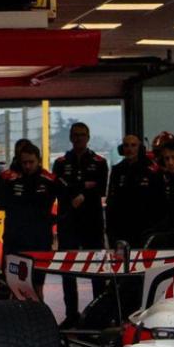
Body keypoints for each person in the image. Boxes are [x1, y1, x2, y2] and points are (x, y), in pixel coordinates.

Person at [50, 122, 108, 326]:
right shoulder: (60, 162)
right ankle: (71, 315)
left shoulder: (99, 162)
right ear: (70, 137)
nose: (79, 138)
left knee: (97, 269)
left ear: (88, 136)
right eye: (75, 135)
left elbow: (100, 188)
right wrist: (83, 187)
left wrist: (81, 190)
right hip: (68, 222)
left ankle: (99, 316)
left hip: (92, 223)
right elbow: (58, 187)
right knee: (68, 270)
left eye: (82, 134)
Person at [0, 146, 61, 297]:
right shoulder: (9, 178)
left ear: (38, 160)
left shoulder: (49, 179)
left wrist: (55, 222)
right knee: (11, 283)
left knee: (37, 286)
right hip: (14, 239)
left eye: (31, 162)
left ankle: (38, 317)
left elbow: (68, 202)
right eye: (24, 162)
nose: (27, 166)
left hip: (39, 239)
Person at [106, 133, 156, 248]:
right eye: (126, 145)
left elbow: (158, 201)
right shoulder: (117, 170)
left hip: (144, 227)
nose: (129, 149)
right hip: (121, 227)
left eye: (133, 145)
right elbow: (111, 200)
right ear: (121, 149)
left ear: (140, 148)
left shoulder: (151, 170)